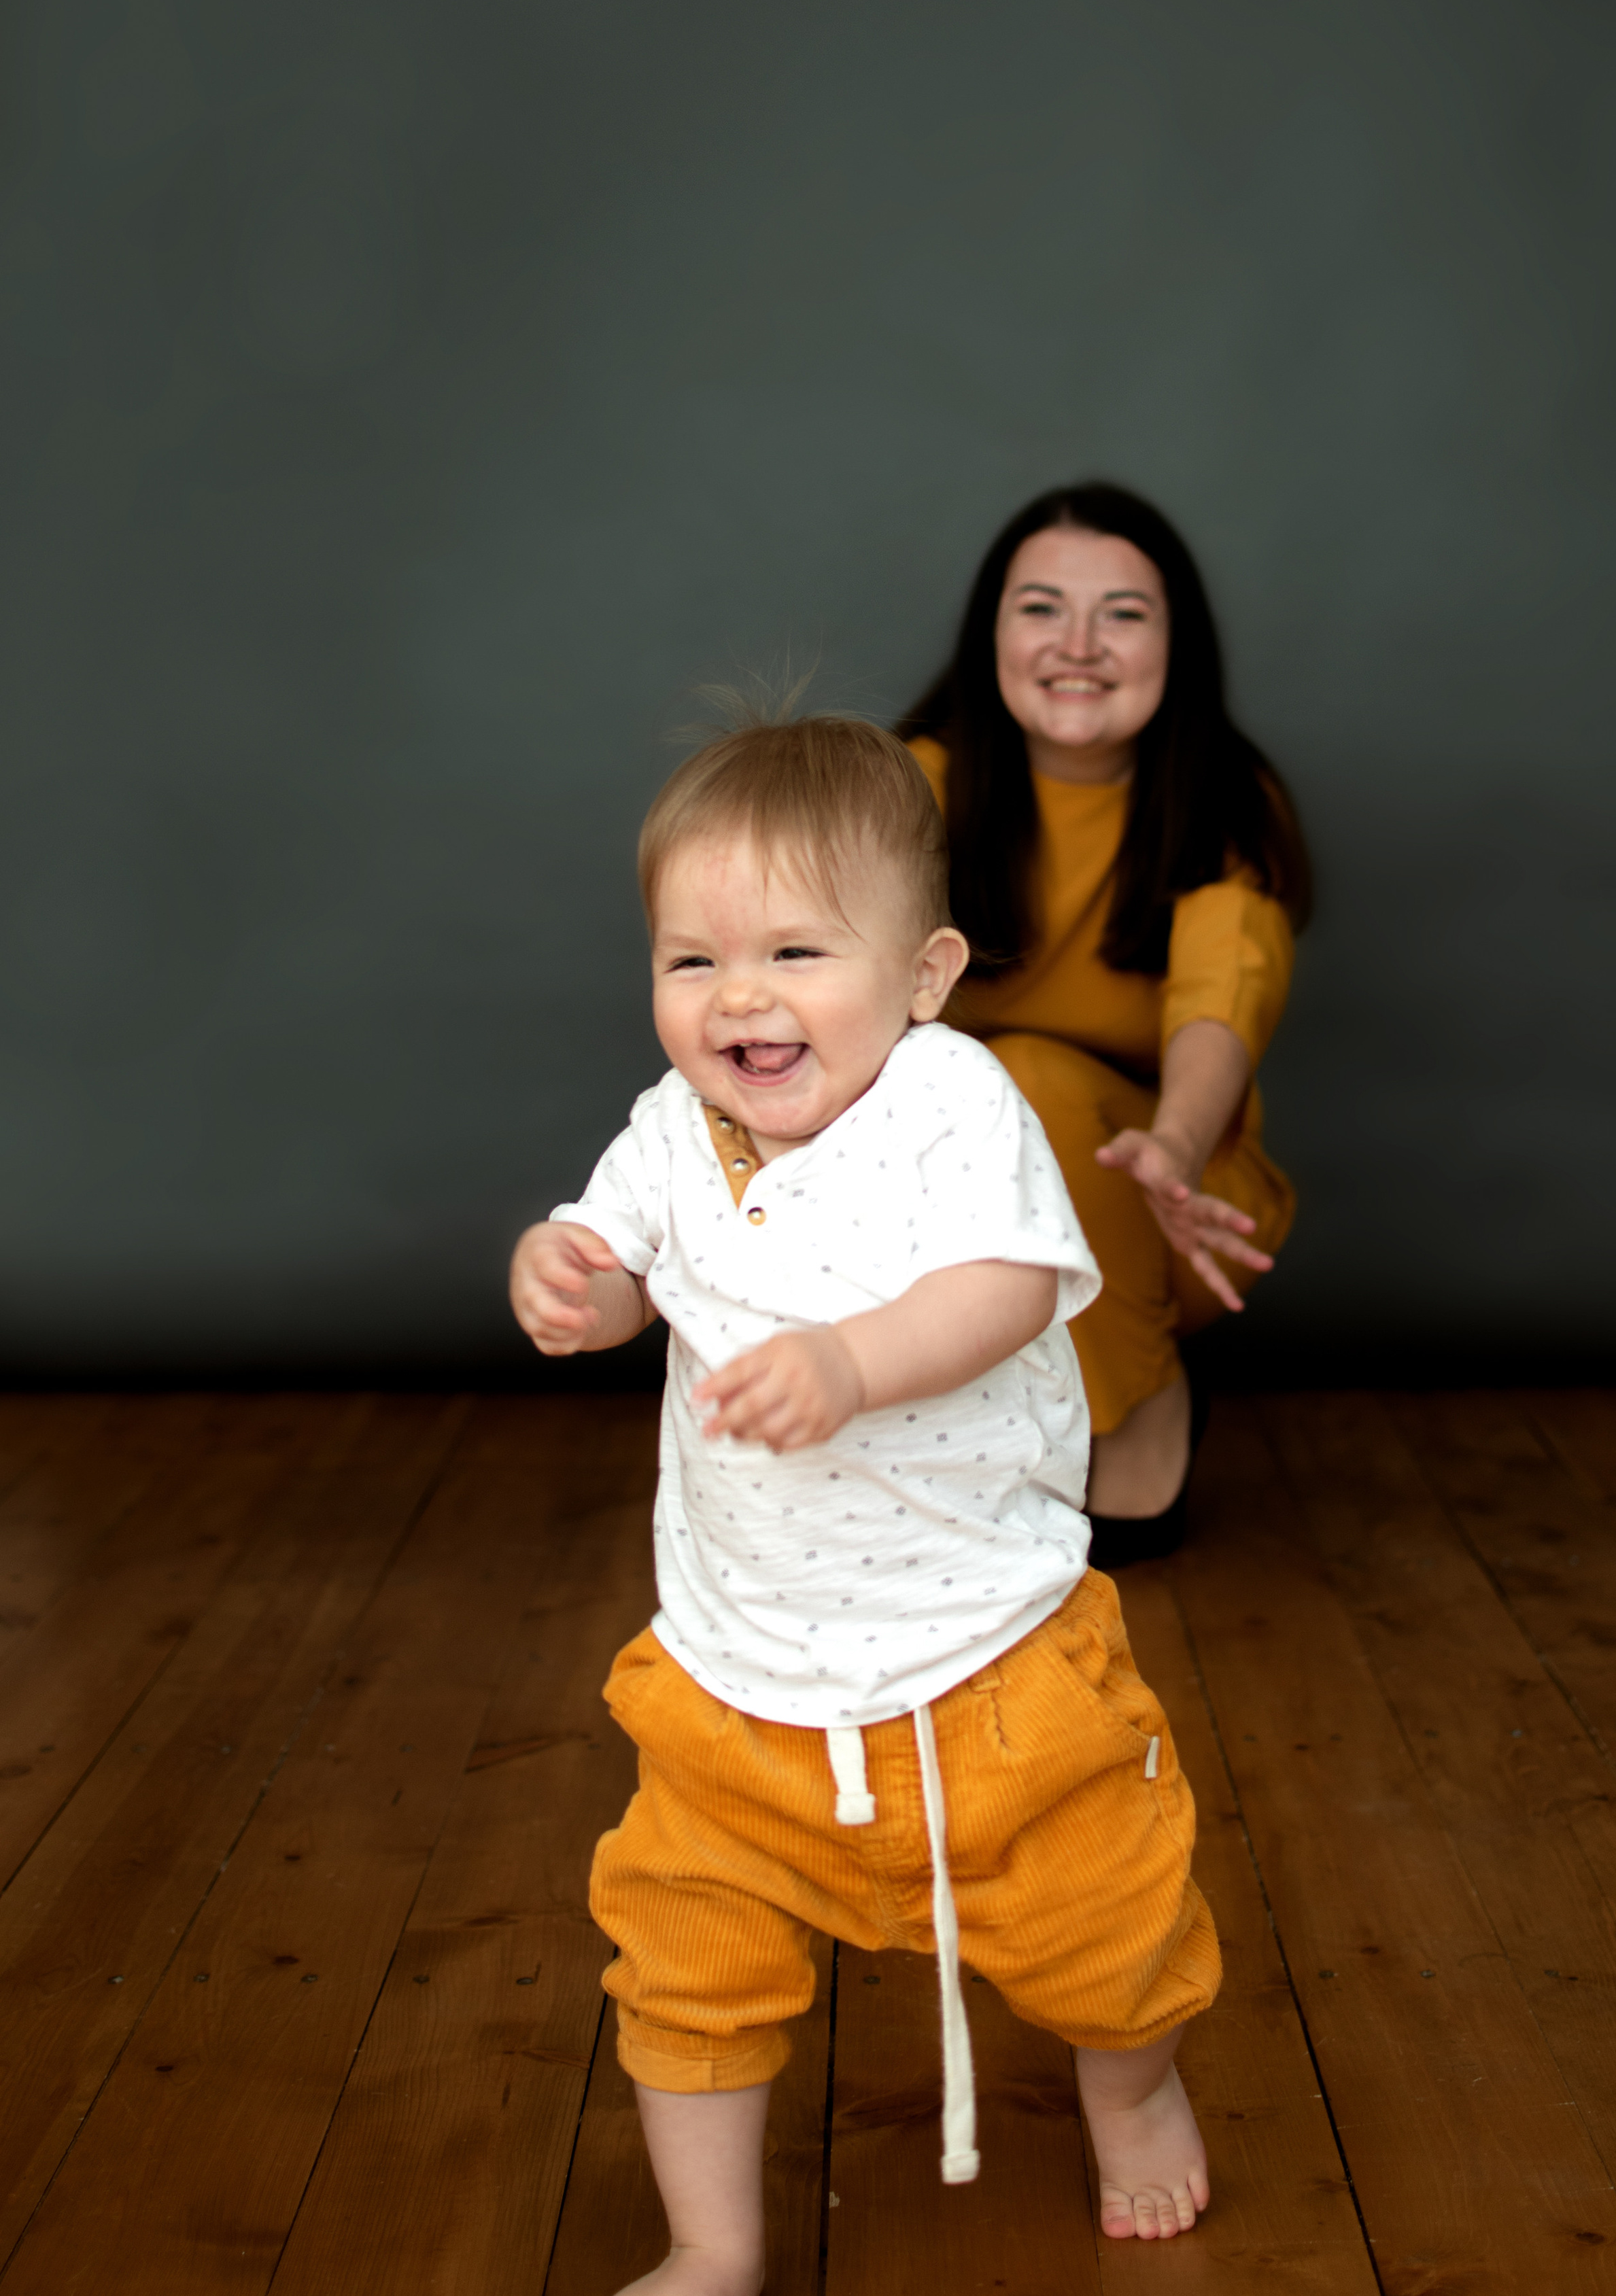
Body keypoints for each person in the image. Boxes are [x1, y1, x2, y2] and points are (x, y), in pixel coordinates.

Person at [509, 714, 1220, 2291]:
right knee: (680, 1953)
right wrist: (569, 1284)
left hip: (986, 1663)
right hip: (737, 1677)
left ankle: (1135, 2083)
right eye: (690, 961)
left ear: (922, 973)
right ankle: (711, 2242)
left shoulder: (950, 1107)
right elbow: (620, 1260)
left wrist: (848, 1362)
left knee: (1111, 1925)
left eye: (791, 951)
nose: (737, 996)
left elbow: (1004, 1289)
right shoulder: (669, 1131)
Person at [901, 482, 1311, 1565]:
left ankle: (1138, 1409)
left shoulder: (1225, 799)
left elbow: (1222, 997)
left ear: (1178, 641)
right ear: (991, 629)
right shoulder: (912, 791)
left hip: (1175, 1204)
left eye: (1123, 613)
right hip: (943, 1212)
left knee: (1028, 1076)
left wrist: (1174, 1148)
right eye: (1041, 607)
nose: (1078, 644)